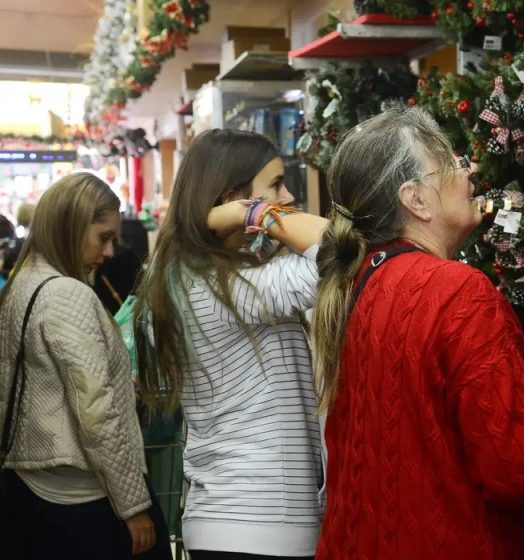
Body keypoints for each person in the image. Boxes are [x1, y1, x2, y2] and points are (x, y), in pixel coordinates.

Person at [310, 107, 524, 559]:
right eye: (452, 162)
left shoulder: (360, 280)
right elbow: (519, 465)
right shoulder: (459, 292)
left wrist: (514, 365)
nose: (469, 170)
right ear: (415, 200)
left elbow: (415, 397)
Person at [134, 129, 328, 560]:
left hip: (228, 521)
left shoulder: (185, 278)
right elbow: (337, 250)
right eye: (275, 184)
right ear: (233, 198)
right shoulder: (229, 287)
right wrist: (258, 214)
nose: (289, 196)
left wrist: (220, 218)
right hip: (262, 523)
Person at [0, 173, 170, 560]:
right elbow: (97, 412)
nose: (110, 252)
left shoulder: (22, 283)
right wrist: (134, 505)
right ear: (72, 227)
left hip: (32, 486)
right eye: (103, 238)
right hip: (83, 497)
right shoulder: (66, 294)